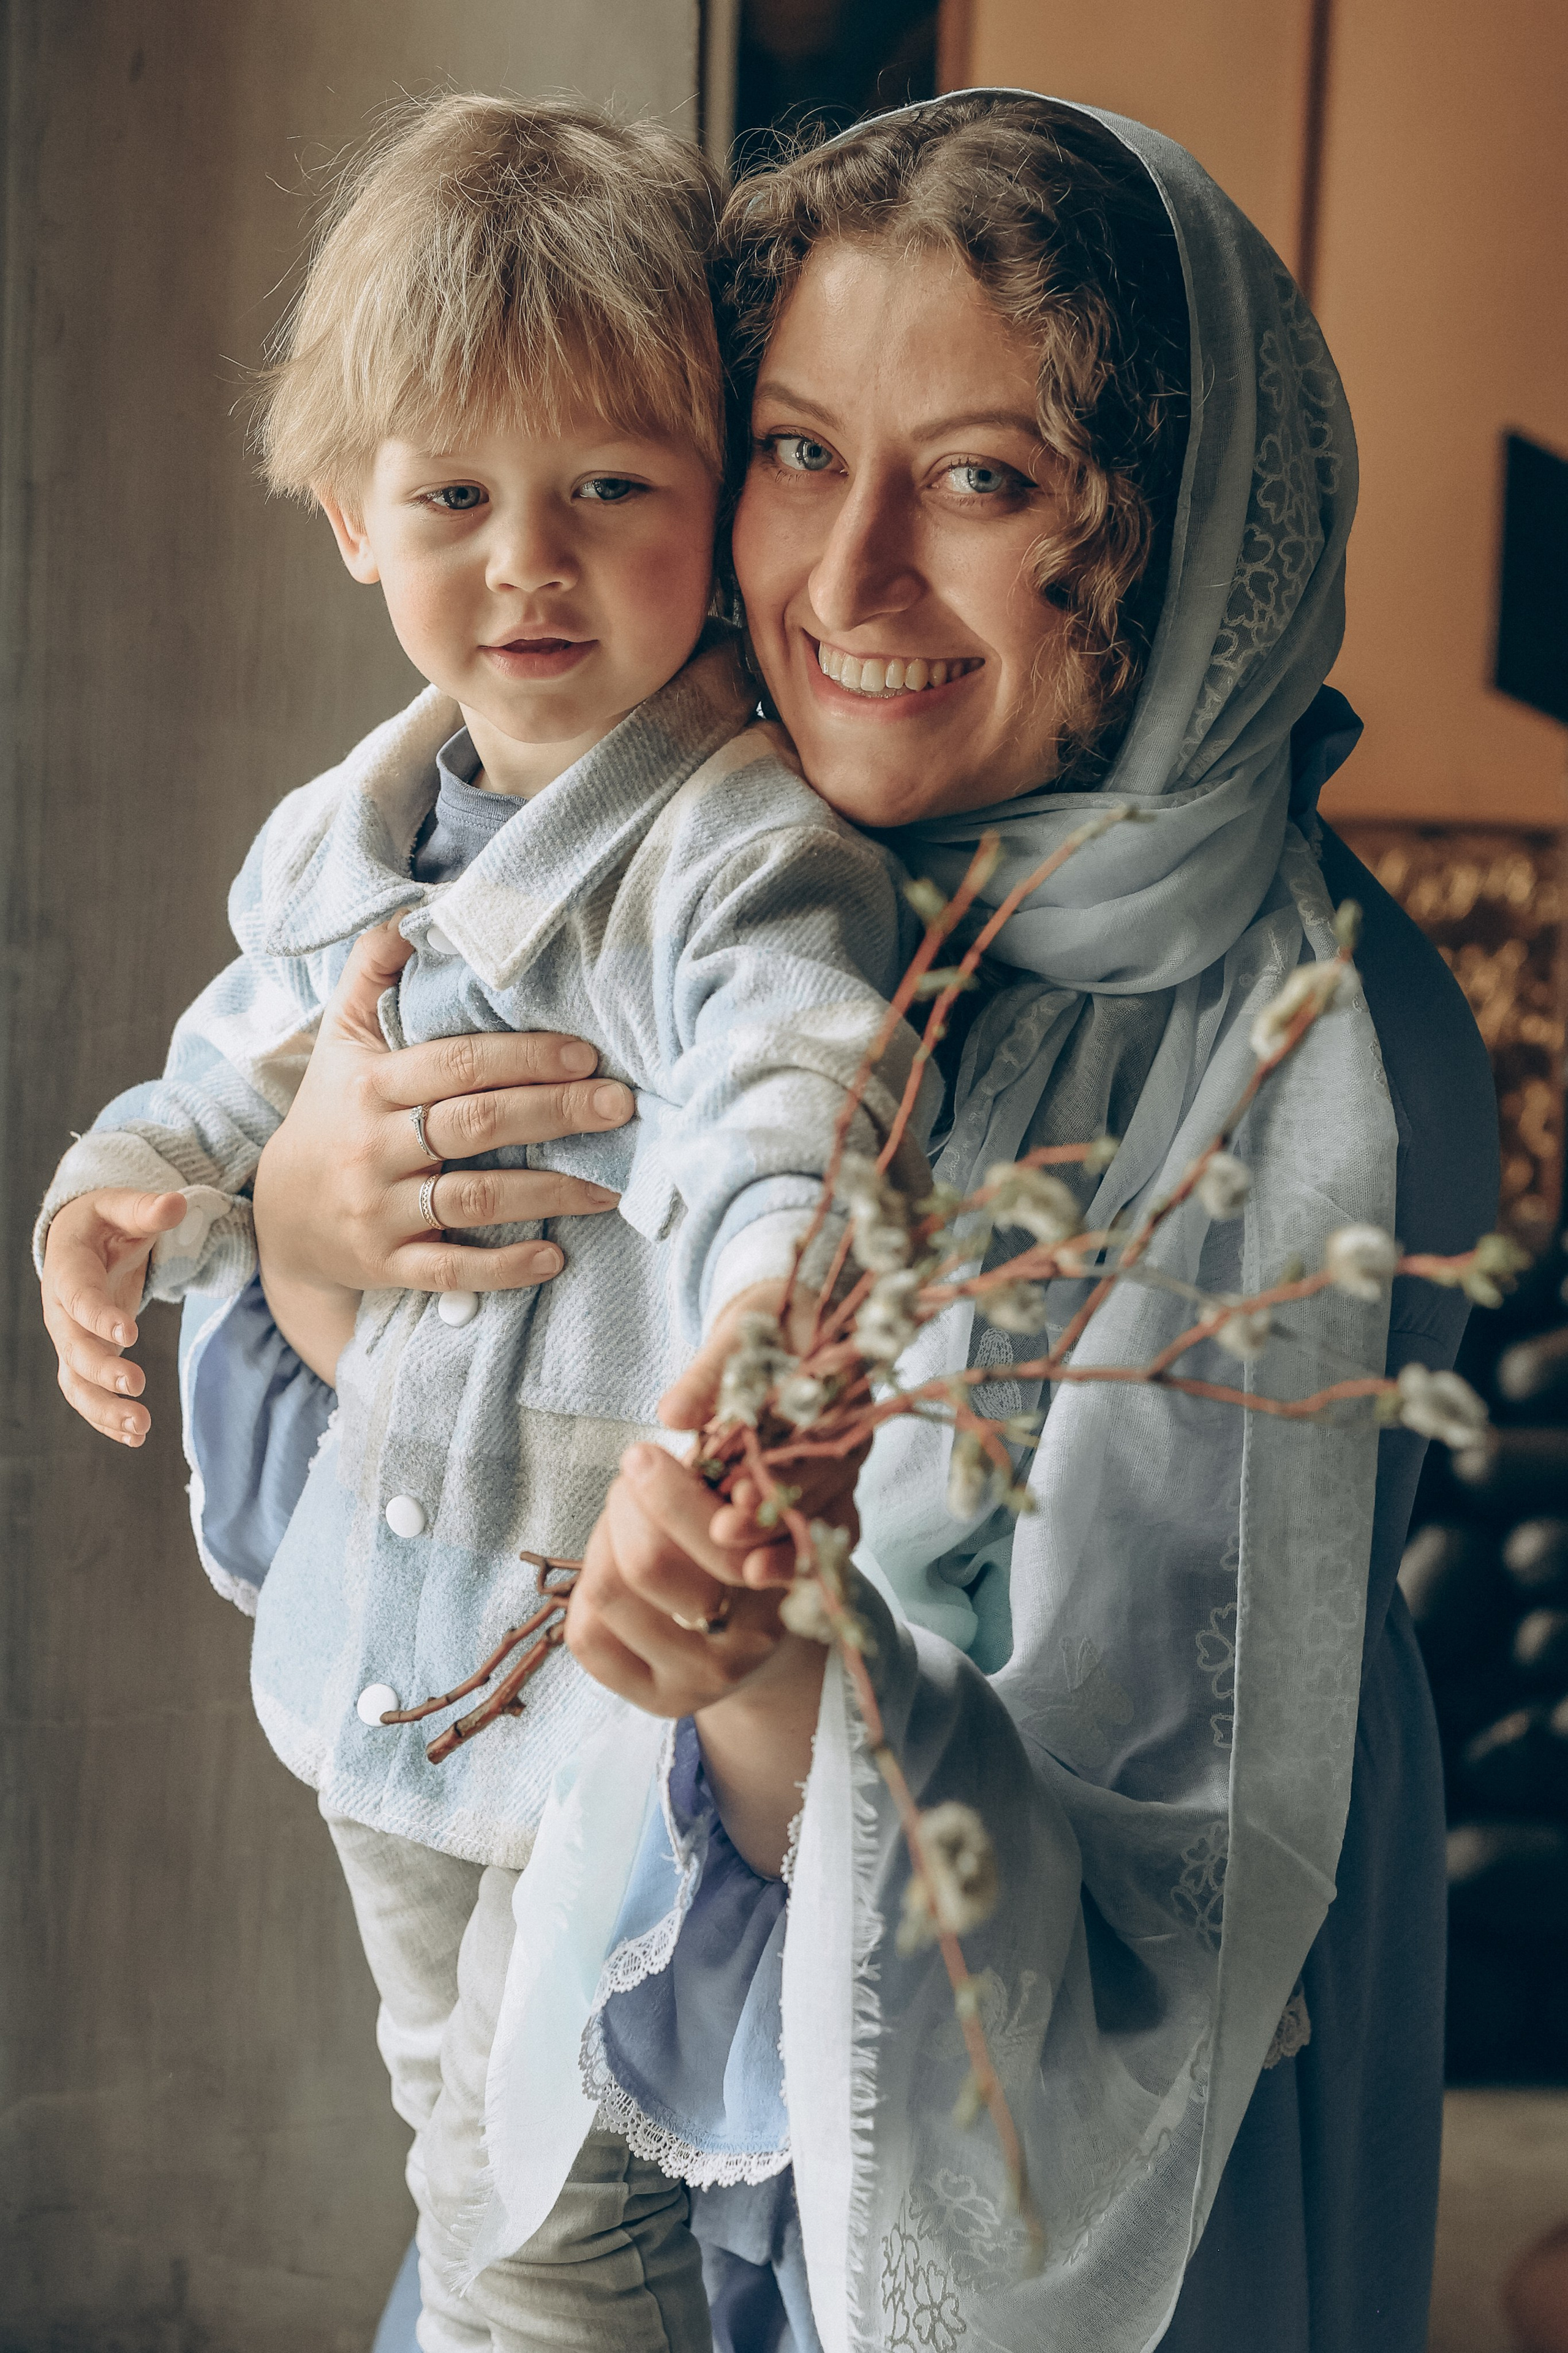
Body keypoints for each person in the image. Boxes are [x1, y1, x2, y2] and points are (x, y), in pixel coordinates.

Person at [68, 90, 1498, 2352]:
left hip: (1012, 2134)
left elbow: (1124, 1850)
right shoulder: (664, 856)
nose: (844, 587)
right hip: (616, 2035)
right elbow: (478, 1420)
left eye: (989, 479)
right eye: (803, 454)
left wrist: (743, 1617)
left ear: (1170, 530)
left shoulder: (1305, 1046)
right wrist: (304, 1229)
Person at [34, 94, 937, 2351]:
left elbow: (790, 1088)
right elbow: (239, 1052)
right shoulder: (347, 831)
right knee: (460, 2129)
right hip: (400, 1643)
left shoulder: (734, 849)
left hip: (610, 1669)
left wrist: (759, 1313)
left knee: (561, 2201)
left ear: (716, 503)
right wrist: (122, 1186)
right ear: (350, 516)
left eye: (608, 493)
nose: (528, 566)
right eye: (456, 498)